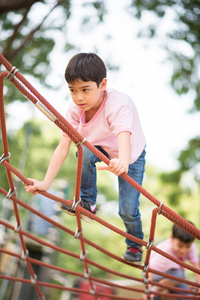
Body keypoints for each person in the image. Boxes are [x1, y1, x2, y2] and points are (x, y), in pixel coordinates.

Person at [24, 53, 146, 264]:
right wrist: (45, 183)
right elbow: (62, 148)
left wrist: (123, 162)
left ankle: (135, 246)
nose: (78, 97)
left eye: (85, 90)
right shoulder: (74, 111)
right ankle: (87, 203)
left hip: (131, 156)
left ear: (103, 84)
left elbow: (124, 137)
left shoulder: (118, 105)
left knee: (127, 209)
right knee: (83, 150)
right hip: (101, 147)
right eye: (73, 90)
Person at [148, 223, 200, 300]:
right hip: (154, 275)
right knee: (179, 275)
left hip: (174, 278)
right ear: (171, 238)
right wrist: (149, 289)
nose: (183, 250)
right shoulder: (166, 249)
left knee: (188, 297)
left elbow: (196, 267)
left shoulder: (191, 246)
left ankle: (159, 292)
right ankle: (155, 290)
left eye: (187, 246)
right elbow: (150, 268)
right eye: (180, 245)